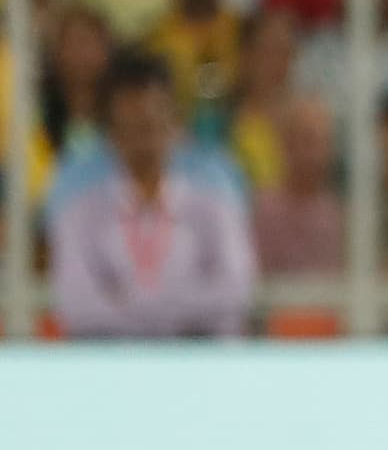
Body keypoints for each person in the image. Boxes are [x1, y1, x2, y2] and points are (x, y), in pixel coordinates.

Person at [47, 50, 256, 338]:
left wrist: (136, 303)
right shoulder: (80, 209)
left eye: (149, 125)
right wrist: (172, 305)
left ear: (173, 122)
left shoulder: (213, 199)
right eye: (130, 128)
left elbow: (235, 290)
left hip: (197, 353)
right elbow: (77, 305)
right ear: (111, 133)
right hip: (114, 355)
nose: (143, 142)